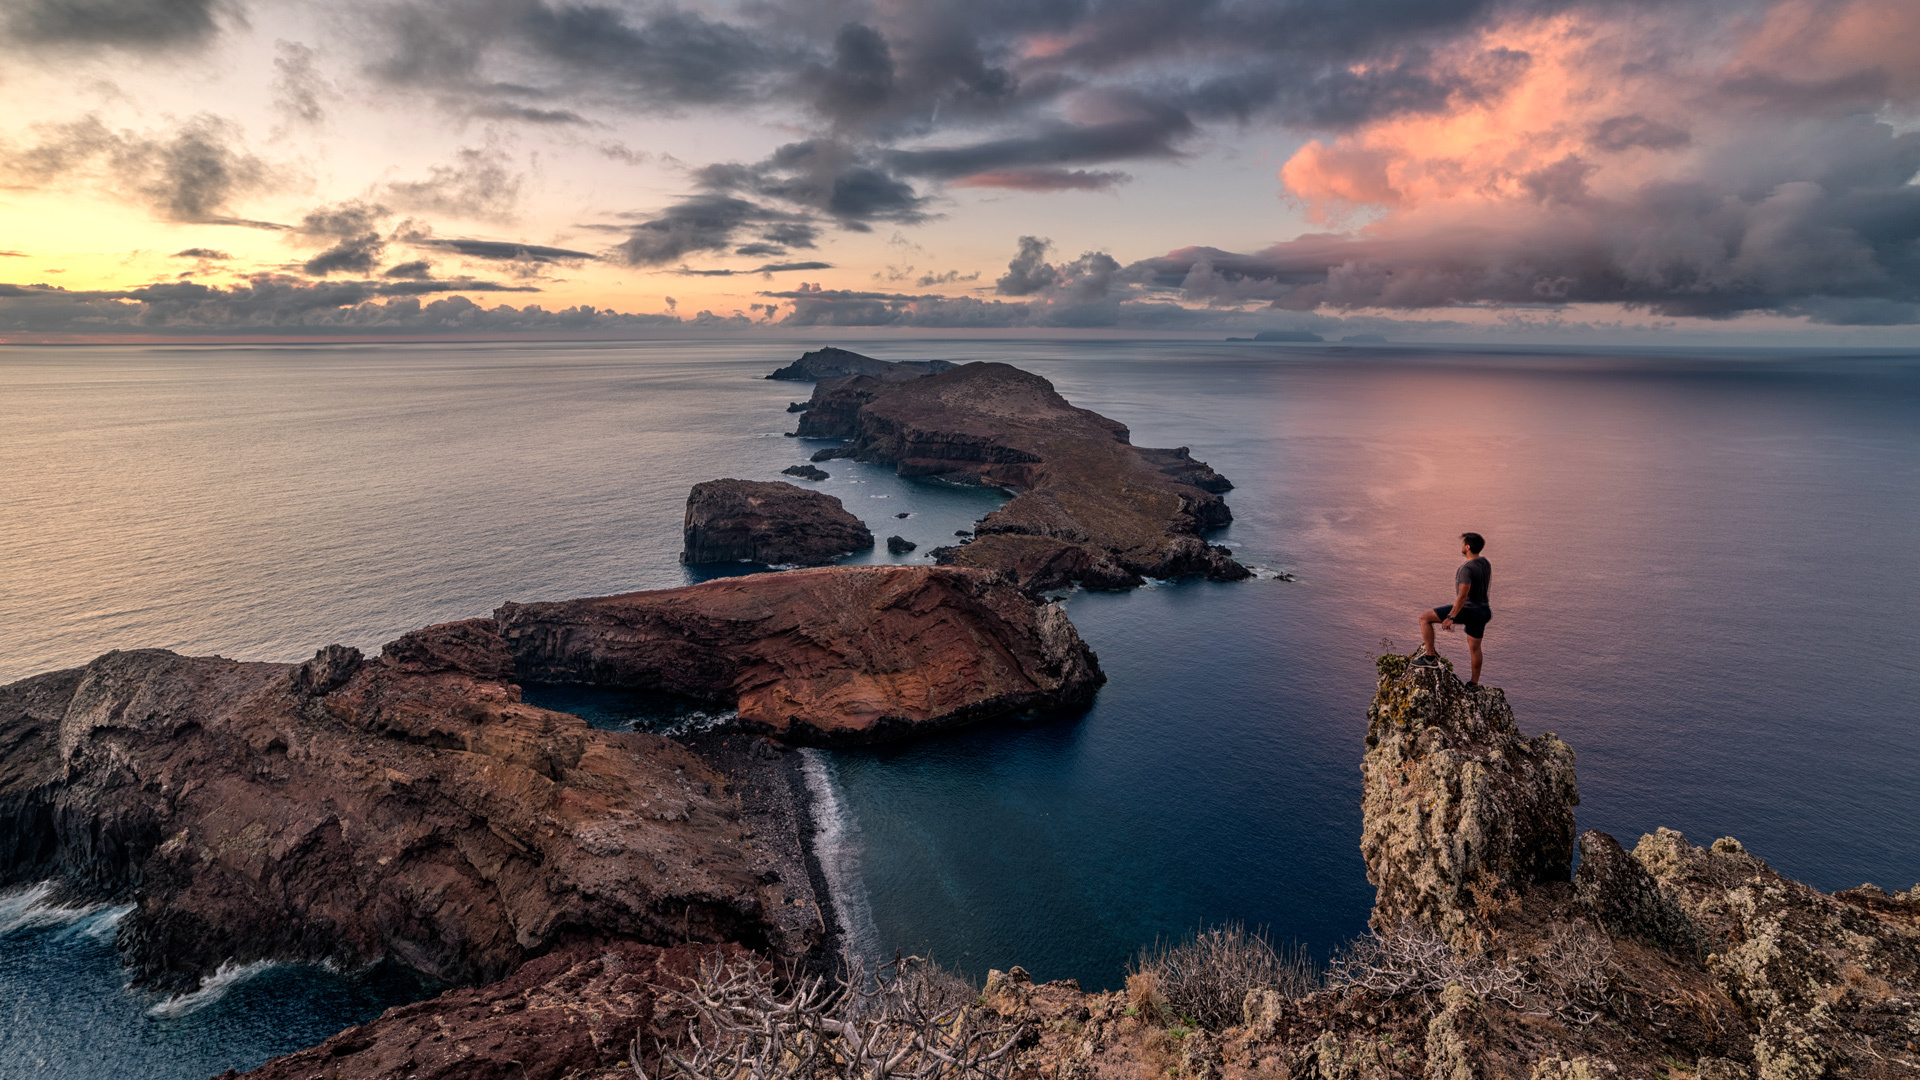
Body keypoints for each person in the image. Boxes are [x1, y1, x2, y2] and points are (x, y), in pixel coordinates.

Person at [1411, 533, 1491, 685]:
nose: (1461, 546)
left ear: (1467, 547)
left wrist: (1451, 617)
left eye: (1463, 544)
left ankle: (1429, 657)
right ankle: (1474, 684)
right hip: (1484, 612)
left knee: (1424, 618)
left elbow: (1462, 596)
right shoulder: (1485, 562)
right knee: (1475, 649)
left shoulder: (1466, 569)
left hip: (1469, 610)